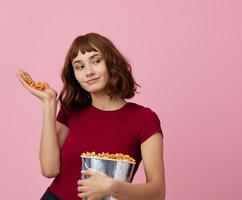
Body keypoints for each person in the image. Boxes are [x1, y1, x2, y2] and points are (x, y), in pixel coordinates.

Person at [16, 33, 165, 200]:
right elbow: (49, 170)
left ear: (111, 62)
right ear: (74, 75)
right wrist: (49, 104)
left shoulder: (144, 119)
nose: (88, 72)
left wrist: (112, 188)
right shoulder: (70, 111)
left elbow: (157, 193)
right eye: (79, 66)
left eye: (96, 61)